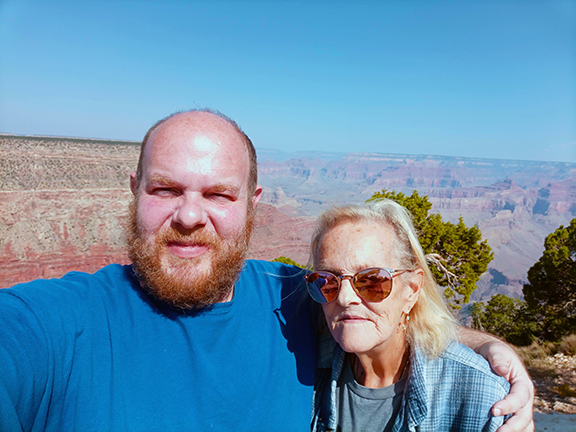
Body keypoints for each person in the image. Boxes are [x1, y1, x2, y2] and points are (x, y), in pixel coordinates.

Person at [0, 109, 533, 431]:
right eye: (165, 189)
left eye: (218, 194)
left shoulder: (292, 294)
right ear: (134, 191)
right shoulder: (54, 324)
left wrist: (489, 349)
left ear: (253, 204)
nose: (189, 216)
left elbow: (380, 312)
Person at [306, 200, 515, 431]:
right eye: (326, 281)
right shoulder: (308, 367)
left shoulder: (482, 396)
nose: (344, 298)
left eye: (371, 280)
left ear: (412, 289)